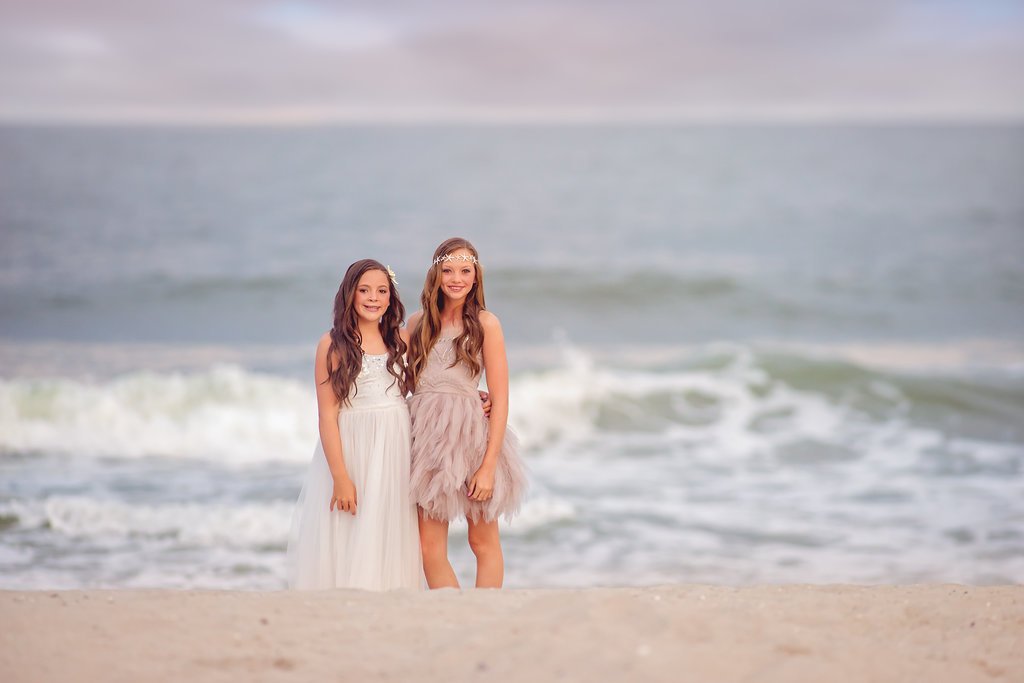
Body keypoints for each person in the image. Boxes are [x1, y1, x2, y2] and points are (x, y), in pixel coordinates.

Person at [286, 259, 423, 590]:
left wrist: (473, 395)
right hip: (354, 446)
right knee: (353, 518)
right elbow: (327, 415)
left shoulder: (401, 340)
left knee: (388, 521)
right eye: (364, 290)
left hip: (394, 445)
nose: (373, 298)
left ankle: (389, 592)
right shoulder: (332, 346)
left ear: (391, 298)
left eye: (381, 291)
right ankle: (350, 591)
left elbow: (427, 387)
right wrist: (340, 477)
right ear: (349, 295)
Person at [406, 237, 528, 589]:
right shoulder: (418, 324)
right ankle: (455, 612)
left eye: (465, 270)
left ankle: (484, 612)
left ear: (476, 277)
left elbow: (502, 399)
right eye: (448, 270)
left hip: (473, 438)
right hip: (427, 439)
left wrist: (488, 467)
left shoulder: (487, 324)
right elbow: (387, 367)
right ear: (436, 274)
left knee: (481, 541)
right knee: (429, 547)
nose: (456, 278)